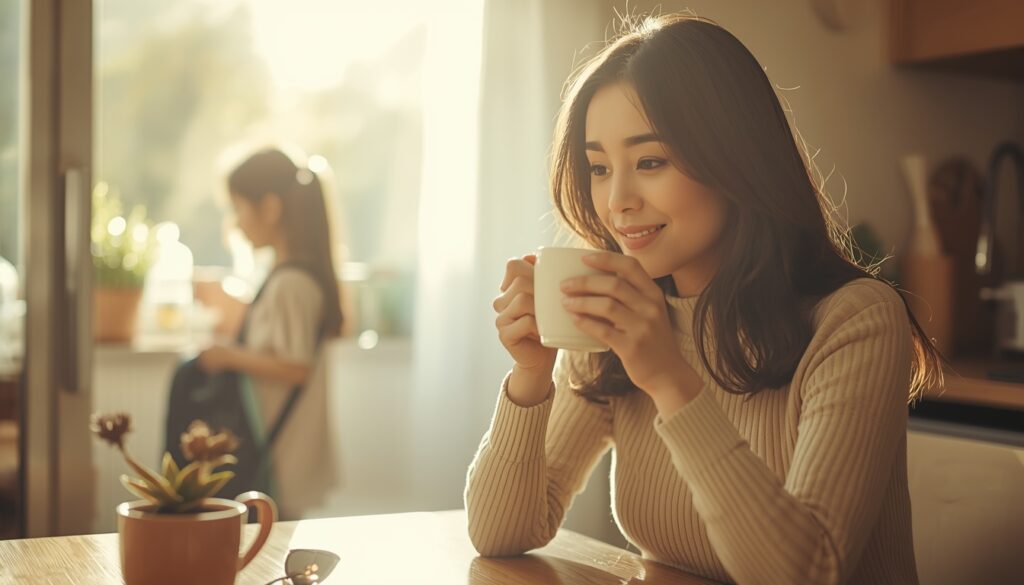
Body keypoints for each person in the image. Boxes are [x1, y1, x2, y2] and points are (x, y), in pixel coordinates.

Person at [466, 14, 942, 585]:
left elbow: (805, 573)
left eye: (650, 162)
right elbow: (500, 534)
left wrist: (670, 379)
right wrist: (530, 377)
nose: (616, 201)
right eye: (598, 168)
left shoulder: (854, 320)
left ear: (734, 160)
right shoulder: (618, 320)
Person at [195, 147, 343, 519]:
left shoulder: (290, 284)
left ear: (271, 208)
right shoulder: (287, 278)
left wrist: (227, 356)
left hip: (282, 455)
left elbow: (296, 367)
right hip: (281, 451)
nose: (235, 223)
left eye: (238, 208)